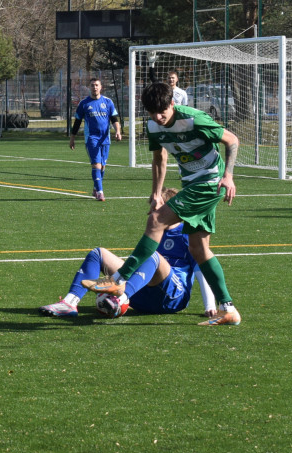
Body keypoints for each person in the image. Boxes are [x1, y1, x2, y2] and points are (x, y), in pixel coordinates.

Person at [84, 81, 241, 326]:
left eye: (162, 112)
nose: (158, 117)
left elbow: (232, 140)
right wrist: (156, 193)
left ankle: (119, 278)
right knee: (198, 250)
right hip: (192, 185)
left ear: (172, 104)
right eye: (152, 113)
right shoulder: (154, 125)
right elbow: (159, 159)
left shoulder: (194, 119)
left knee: (156, 221)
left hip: (210, 183)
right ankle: (228, 308)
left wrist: (228, 176)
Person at [40, 209, 217, 318]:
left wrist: (210, 306)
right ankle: (70, 303)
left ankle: (119, 298)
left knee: (151, 256)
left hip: (172, 298)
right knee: (98, 253)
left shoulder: (187, 235)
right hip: (142, 296)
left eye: (158, 207)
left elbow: (202, 272)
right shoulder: (156, 231)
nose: (152, 211)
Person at [69, 76, 121, 201]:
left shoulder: (108, 102)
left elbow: (114, 119)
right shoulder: (84, 103)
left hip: (105, 138)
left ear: (101, 87)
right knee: (96, 165)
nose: (94, 87)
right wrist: (72, 138)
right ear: (89, 88)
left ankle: (95, 188)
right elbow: (77, 122)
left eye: (97, 85)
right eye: (92, 85)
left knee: (103, 166)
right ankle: (100, 192)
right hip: (91, 138)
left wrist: (118, 131)